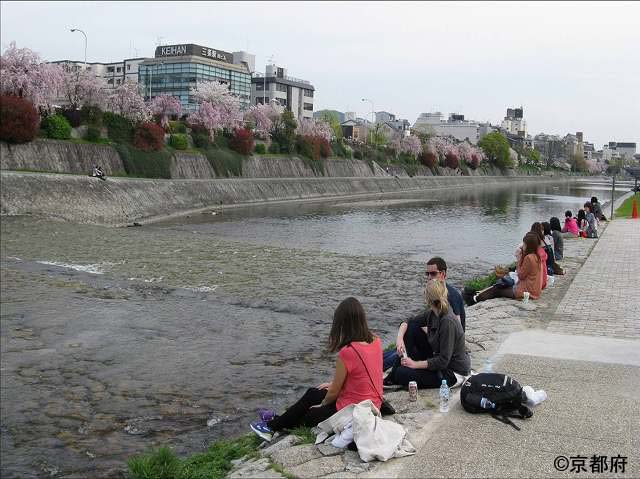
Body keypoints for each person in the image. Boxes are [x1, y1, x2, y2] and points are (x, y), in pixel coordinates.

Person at [249, 297, 382, 441]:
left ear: (343, 324)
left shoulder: (348, 352)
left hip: (352, 411)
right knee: (313, 393)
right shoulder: (376, 340)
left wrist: (322, 404)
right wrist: (330, 387)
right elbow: (362, 375)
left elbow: (333, 394)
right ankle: (275, 422)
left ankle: (272, 427)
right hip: (372, 404)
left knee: (310, 414)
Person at [382, 257, 466, 371]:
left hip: (443, 348)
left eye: (433, 274)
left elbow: (456, 329)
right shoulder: (434, 294)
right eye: (427, 274)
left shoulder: (452, 296)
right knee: (393, 351)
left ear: (443, 274)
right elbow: (412, 320)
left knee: (396, 355)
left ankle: (379, 369)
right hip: (432, 341)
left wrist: (429, 330)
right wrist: (399, 338)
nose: (429, 277)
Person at [384, 280, 470, 389]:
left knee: (401, 373)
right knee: (412, 328)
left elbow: (443, 361)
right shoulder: (433, 313)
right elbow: (409, 321)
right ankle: (392, 376)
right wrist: (400, 338)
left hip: (452, 372)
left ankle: (395, 374)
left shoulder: (447, 322)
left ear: (427, 298)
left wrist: (414, 365)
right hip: (438, 359)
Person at [472, 232, 543, 303]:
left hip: (526, 291)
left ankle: (476, 299)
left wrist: (519, 259)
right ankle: (477, 298)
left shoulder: (529, 258)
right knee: (502, 286)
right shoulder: (537, 257)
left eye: (524, 244)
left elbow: (521, 276)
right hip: (534, 290)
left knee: (497, 289)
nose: (523, 245)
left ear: (529, 246)